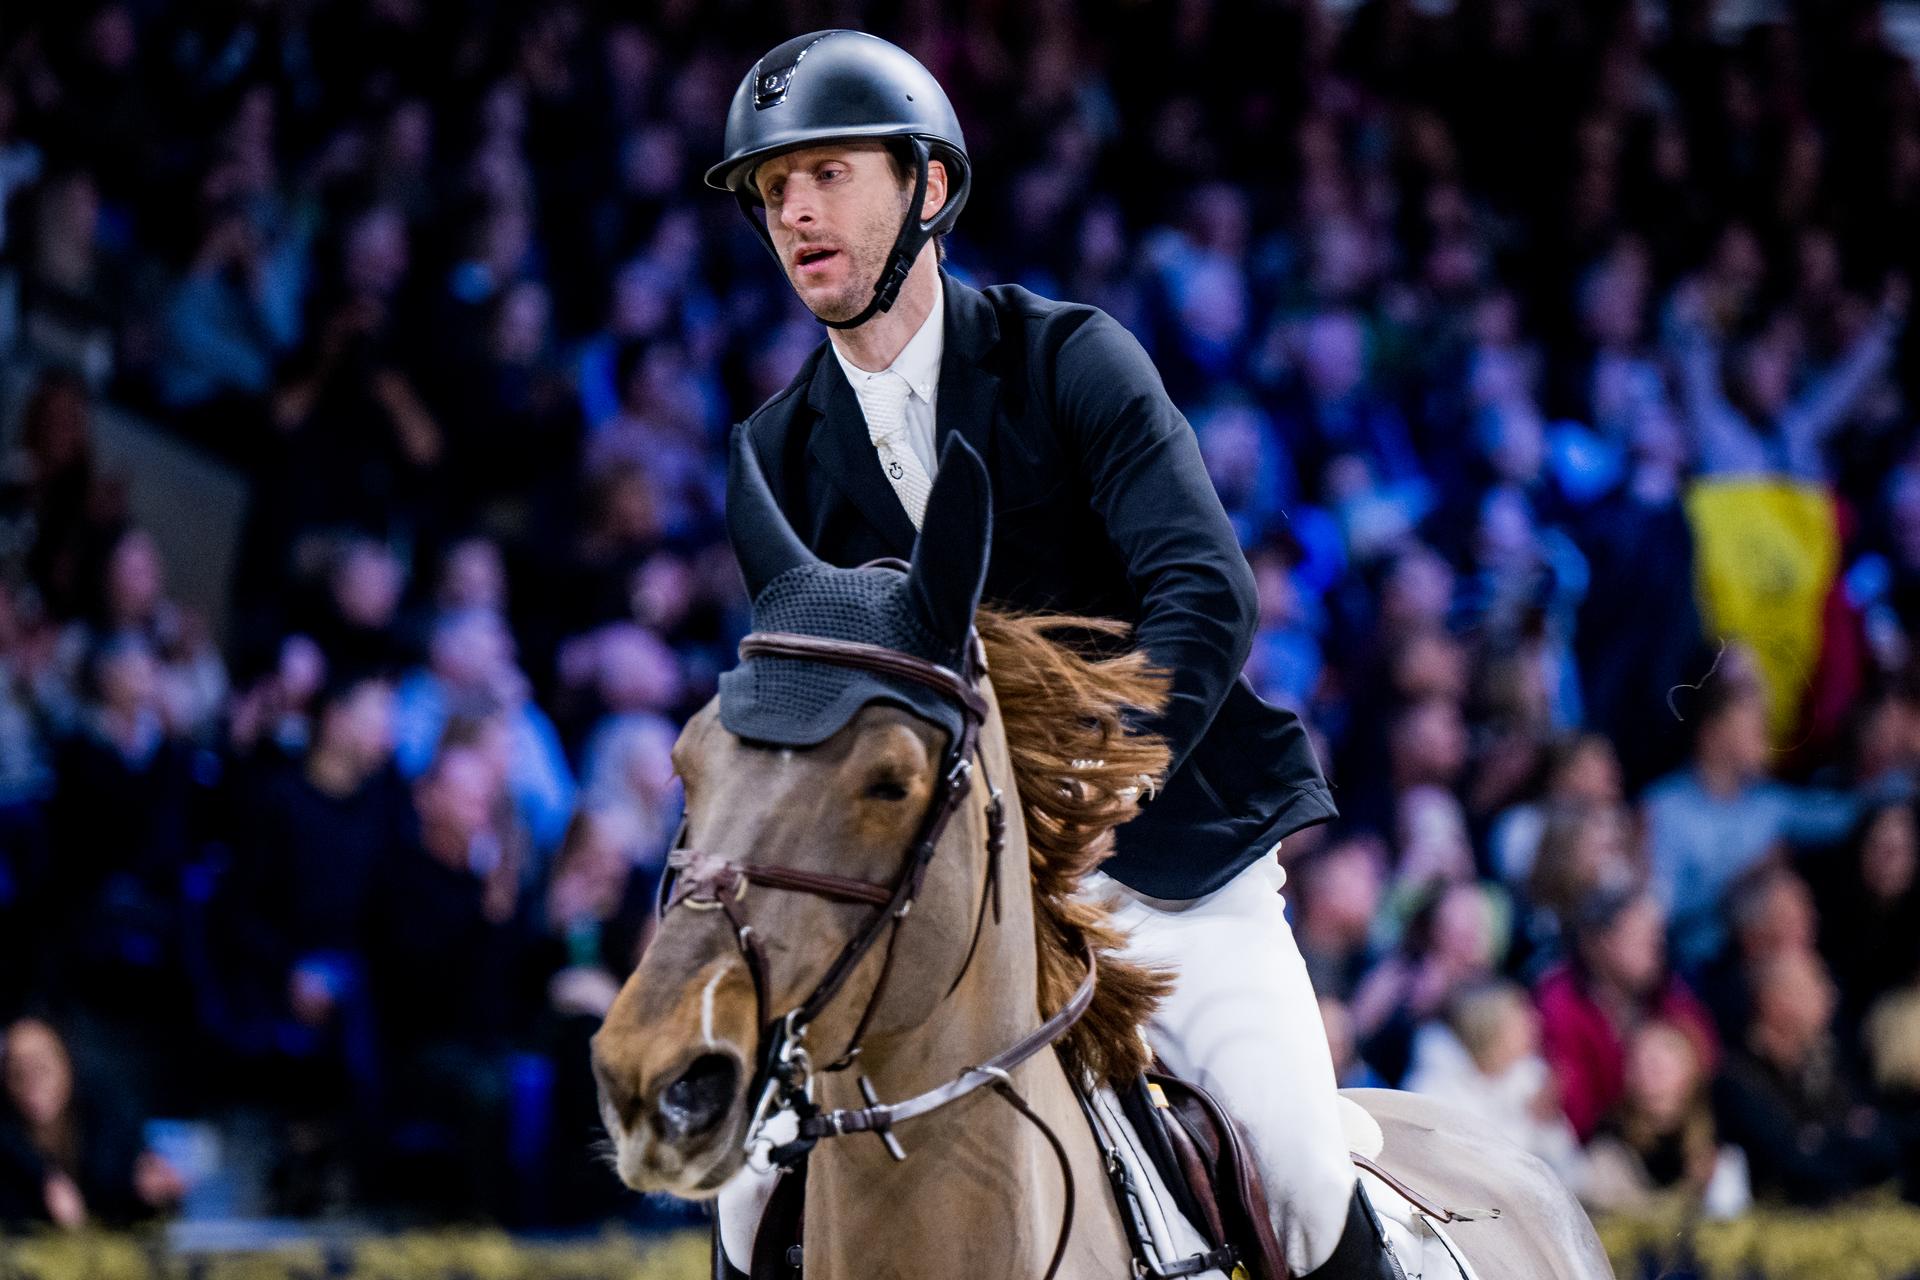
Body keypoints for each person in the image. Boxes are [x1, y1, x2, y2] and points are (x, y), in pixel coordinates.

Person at [706, 31, 1384, 1279]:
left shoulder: (1069, 357)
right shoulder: (780, 452)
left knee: (1297, 1165)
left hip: (1153, 866)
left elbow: (1205, 587)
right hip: (928, 910)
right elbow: (810, 716)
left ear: (930, 187)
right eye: (771, 188)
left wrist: (1101, 775)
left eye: (829, 172)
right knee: (745, 1200)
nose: (793, 209)